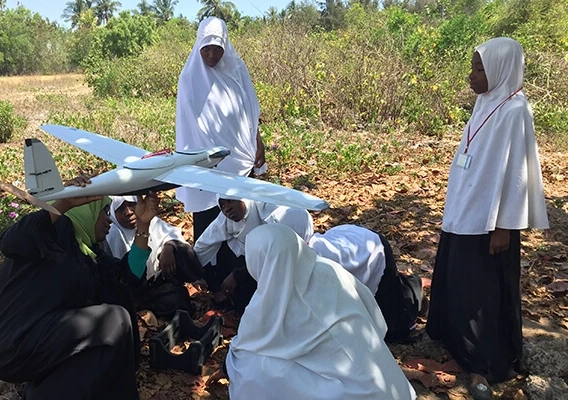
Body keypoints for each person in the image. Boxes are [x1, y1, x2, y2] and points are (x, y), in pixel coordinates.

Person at [425, 37, 549, 398]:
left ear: (500, 69)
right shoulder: (485, 102)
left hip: (491, 221)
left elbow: (517, 174)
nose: (472, 76)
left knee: (481, 289)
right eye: (474, 67)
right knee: (458, 278)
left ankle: (484, 362)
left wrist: (505, 226)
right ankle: (452, 338)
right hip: (466, 207)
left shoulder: (515, 109)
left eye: (480, 68)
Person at [0, 177, 160, 400]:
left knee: (117, 300)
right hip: (11, 344)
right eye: (103, 212)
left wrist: (143, 226)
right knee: (114, 318)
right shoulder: (54, 234)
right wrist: (63, 204)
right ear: (85, 211)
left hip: (44, 342)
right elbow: (11, 242)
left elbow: (128, 277)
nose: (109, 220)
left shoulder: (88, 253)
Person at [225, 224, 417, 400]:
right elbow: (377, 321)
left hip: (350, 392)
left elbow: (245, 348)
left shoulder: (270, 299)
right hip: (389, 384)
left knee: (248, 365)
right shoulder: (331, 269)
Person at [175, 16, 266, 242]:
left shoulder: (236, 70)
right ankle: (211, 274)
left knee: (242, 219)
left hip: (239, 159)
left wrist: (258, 141)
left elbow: (250, 111)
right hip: (206, 166)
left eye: (218, 49)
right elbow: (187, 125)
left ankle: (243, 271)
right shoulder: (189, 78)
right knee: (209, 223)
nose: (212, 55)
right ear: (198, 46)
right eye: (206, 49)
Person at [193, 195, 312, 314]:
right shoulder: (225, 220)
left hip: (283, 261)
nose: (227, 209)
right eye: (223, 206)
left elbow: (278, 256)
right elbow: (203, 245)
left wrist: (237, 275)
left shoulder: (269, 211)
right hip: (251, 257)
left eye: (230, 201)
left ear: (242, 197)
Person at [309, 224, 422, 342]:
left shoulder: (314, 261)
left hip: (372, 248)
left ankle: (413, 287)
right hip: (347, 239)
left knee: (391, 326)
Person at [103, 195, 203, 317]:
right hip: (133, 293)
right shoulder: (112, 234)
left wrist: (169, 247)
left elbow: (172, 234)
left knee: (180, 250)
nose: (128, 212)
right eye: (120, 209)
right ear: (112, 212)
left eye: (131, 205)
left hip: (156, 282)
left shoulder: (150, 221)